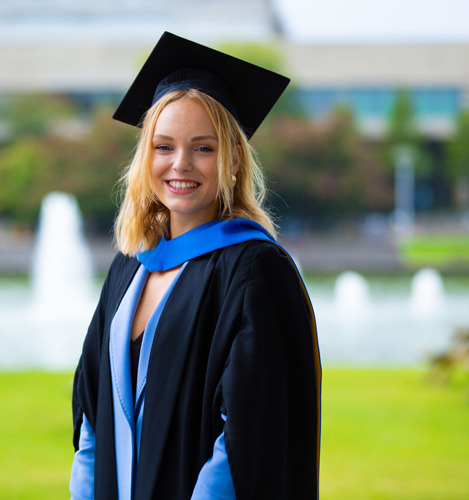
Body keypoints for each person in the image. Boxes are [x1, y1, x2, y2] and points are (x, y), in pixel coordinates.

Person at [70, 32, 321, 500]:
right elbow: (91, 411)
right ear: (145, 159)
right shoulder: (129, 267)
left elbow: (246, 437)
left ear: (232, 161)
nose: (180, 164)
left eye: (203, 148)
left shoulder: (254, 271)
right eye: (163, 147)